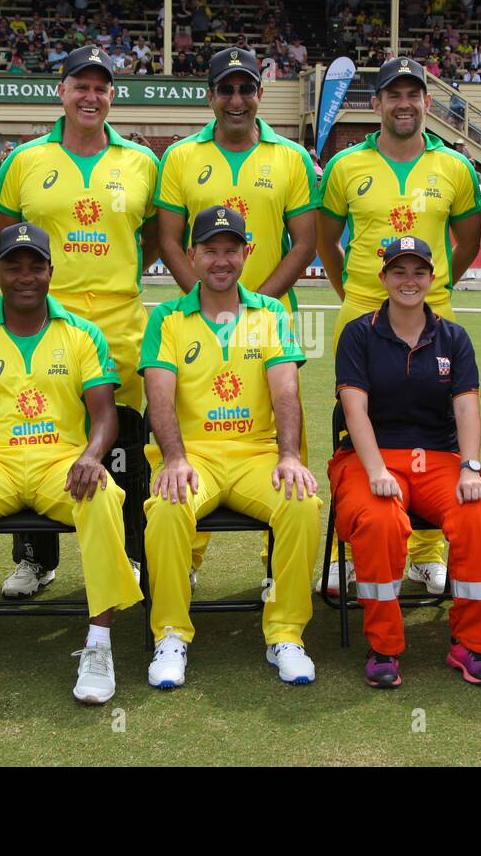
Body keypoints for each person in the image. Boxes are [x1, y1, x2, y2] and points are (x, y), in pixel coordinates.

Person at [0, 224, 143, 707]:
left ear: (51, 272)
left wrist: (91, 456)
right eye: (13, 265)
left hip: (63, 463)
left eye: (36, 265)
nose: (25, 276)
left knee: (103, 494)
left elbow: (104, 415)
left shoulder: (82, 334)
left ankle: (98, 645)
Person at [0, 45, 160, 597]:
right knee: (40, 438)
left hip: (120, 327)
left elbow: (154, 237)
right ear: (60, 91)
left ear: (112, 95)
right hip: (43, 326)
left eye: (101, 88)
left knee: (124, 446)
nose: (91, 97)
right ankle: (36, 560)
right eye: (80, 86)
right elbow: (4, 239)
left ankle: (128, 553)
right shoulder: (24, 161)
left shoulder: (140, 162)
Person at [316, 56, 481, 597]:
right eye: (394, 94)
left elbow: (468, 239)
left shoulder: (455, 167)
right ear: (377, 103)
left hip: (433, 309)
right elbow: (326, 241)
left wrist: (434, 289)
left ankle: (427, 554)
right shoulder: (346, 165)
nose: (404, 103)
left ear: (427, 103)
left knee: (437, 428)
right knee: (359, 424)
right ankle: (361, 538)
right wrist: (355, 293)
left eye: (414, 94)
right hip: (363, 308)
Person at [154, 46, 318, 588]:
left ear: (260, 95)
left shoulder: (290, 157)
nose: (236, 100)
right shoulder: (179, 156)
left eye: (246, 89)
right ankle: (188, 562)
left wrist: (253, 305)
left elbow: (304, 243)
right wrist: (205, 302)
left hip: (270, 323)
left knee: (281, 439)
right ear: (211, 96)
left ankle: (280, 571)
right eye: (226, 89)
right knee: (195, 429)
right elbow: (171, 241)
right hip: (196, 319)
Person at [140, 205, 320, 689]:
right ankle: (172, 635)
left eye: (231, 250)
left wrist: (288, 456)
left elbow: (285, 389)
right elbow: (158, 395)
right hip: (193, 454)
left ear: (247, 253)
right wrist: (174, 458)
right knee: (167, 508)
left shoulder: (271, 313)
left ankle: (286, 633)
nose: (221, 261)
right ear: (192, 255)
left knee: (301, 502)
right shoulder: (166, 318)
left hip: (256, 455)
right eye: (210, 250)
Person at [331, 236, 481, 689]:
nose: (410, 281)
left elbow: (466, 409)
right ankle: (384, 646)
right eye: (400, 271)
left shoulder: (454, 336)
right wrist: (375, 471)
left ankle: (471, 644)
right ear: (383, 276)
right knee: (380, 520)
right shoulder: (359, 333)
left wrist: (470, 467)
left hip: (440, 458)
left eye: (419, 272)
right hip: (370, 457)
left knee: (477, 517)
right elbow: (354, 411)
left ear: (431, 278)